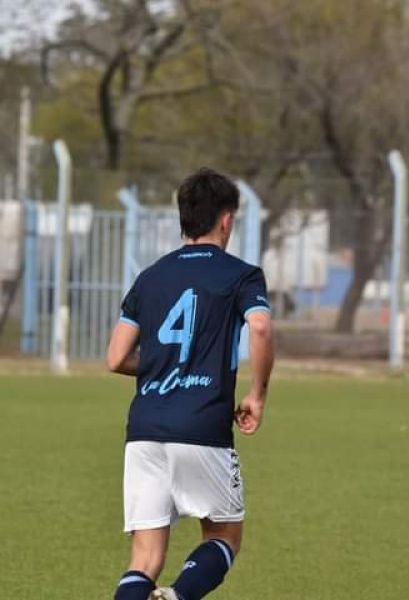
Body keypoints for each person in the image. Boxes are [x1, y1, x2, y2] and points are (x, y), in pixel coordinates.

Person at [106, 168, 275, 600]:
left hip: (143, 429)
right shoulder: (242, 275)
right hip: (202, 426)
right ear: (226, 220)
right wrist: (256, 395)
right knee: (223, 537)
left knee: (144, 558)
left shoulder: (150, 277)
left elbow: (116, 358)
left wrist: (162, 368)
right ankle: (178, 597)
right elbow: (259, 329)